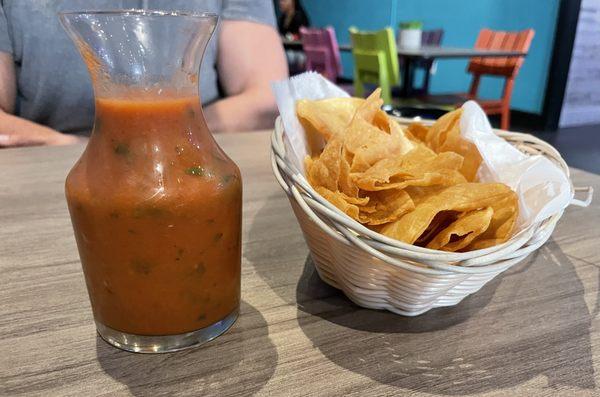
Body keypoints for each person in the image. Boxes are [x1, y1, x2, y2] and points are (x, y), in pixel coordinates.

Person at [0, 0, 288, 147]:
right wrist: (83, 150)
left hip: (193, 148)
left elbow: (265, 97)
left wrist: (146, 144)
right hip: (49, 165)